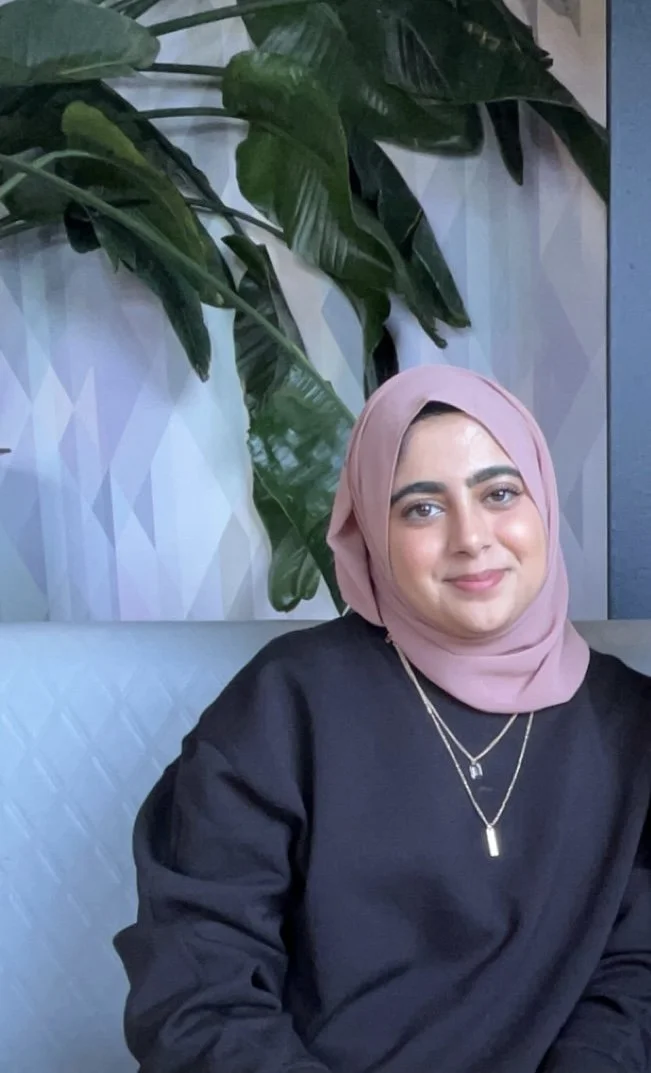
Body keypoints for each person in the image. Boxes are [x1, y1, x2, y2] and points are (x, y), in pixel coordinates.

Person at [115, 365, 651, 1073]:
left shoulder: (631, 721)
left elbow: (636, 973)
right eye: (421, 508)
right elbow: (194, 985)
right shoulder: (284, 704)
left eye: (497, 492)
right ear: (370, 529)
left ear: (542, 503)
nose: (470, 537)